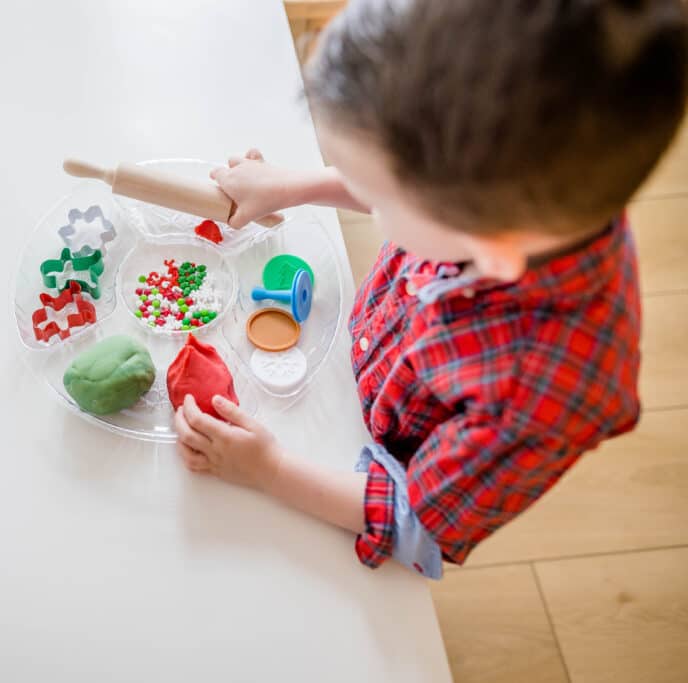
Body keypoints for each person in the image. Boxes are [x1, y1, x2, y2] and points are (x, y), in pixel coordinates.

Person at [172, 0, 688, 578]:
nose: (370, 204)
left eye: (378, 199)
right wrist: (289, 187)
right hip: (372, 366)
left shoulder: (539, 396)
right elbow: (406, 178)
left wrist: (267, 470)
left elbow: (419, 526)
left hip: (371, 465)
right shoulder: (500, 201)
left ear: (489, 244)